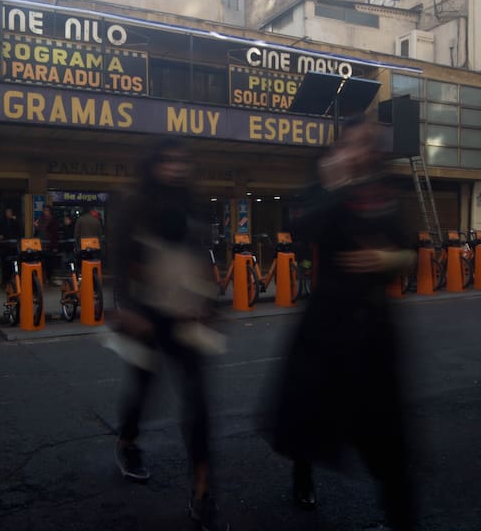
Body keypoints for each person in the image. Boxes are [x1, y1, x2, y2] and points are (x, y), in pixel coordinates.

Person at [265, 117, 416, 530]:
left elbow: (408, 250)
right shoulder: (326, 189)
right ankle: (303, 473)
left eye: (369, 143)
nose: (362, 150)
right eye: (354, 143)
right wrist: (333, 186)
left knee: (384, 428)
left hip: (374, 328)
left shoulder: (385, 192)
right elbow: (300, 230)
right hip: (326, 326)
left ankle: (398, 510)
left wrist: (387, 260)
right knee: (310, 411)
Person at [112, 138, 228, 531]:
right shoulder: (134, 203)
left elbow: (202, 255)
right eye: (167, 160)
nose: (176, 167)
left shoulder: (194, 205)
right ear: (153, 164)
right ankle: (127, 443)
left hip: (186, 315)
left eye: (181, 160)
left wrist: (210, 301)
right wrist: (126, 307)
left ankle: (202, 488)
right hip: (146, 315)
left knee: (198, 400)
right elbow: (120, 257)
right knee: (143, 388)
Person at [34, 205, 59, 285]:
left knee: (49, 263)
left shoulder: (53, 221)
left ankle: (48, 278)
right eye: (45, 210)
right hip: (40, 246)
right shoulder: (39, 220)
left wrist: (55, 246)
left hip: (49, 246)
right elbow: (36, 233)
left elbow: (55, 235)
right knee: (40, 263)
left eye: (47, 210)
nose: (46, 212)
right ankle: (41, 278)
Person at [0, 207, 21, 284]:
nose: (9, 214)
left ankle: (13, 277)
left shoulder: (15, 222)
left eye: (10, 212)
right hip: (4, 246)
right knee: (4, 263)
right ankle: (5, 279)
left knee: (13, 262)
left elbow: (19, 232)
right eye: (7, 212)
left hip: (13, 246)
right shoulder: (1, 222)